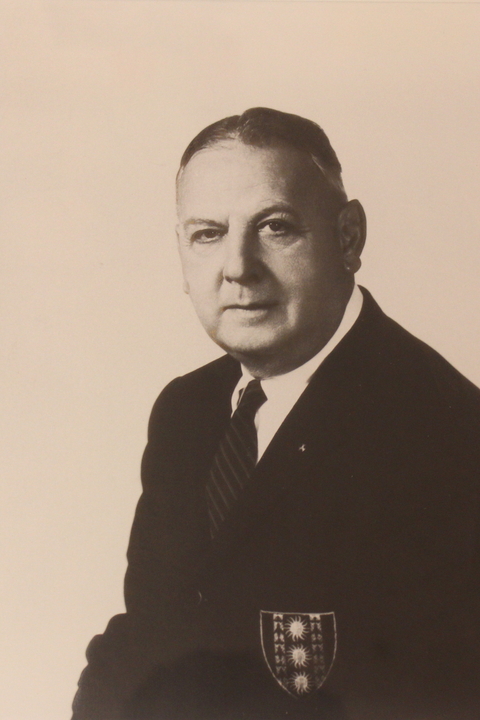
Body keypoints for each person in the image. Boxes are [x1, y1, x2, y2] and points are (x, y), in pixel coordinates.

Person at [72, 107, 480, 720]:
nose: (237, 266)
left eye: (275, 228)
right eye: (208, 233)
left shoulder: (446, 434)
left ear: (349, 238)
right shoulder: (186, 410)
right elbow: (142, 640)